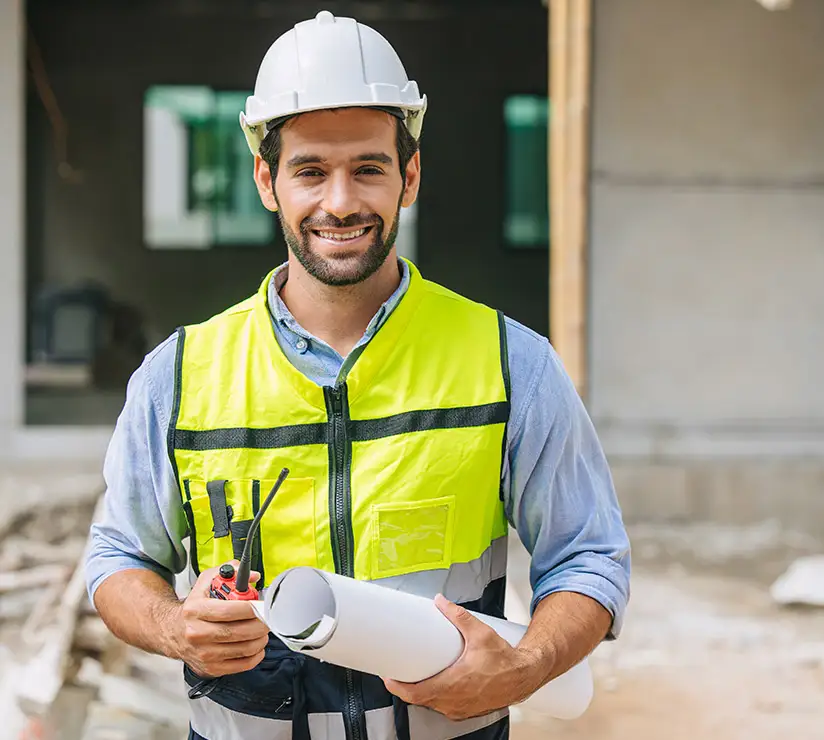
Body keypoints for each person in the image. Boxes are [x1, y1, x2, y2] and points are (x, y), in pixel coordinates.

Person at [86, 10, 630, 740]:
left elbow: (589, 556)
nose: (338, 202)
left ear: (407, 176)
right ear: (266, 181)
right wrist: (174, 625)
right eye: (310, 170)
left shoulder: (509, 364)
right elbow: (119, 558)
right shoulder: (178, 377)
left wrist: (525, 664)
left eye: (366, 168)